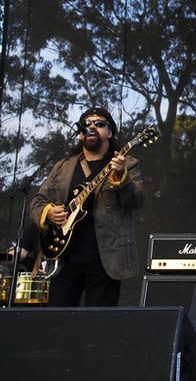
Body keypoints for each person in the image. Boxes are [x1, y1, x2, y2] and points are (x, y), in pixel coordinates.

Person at [30, 107, 144, 306]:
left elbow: (135, 200)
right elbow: (37, 202)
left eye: (99, 124)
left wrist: (120, 177)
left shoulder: (127, 164)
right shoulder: (63, 166)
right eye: (87, 124)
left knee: (98, 326)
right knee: (58, 324)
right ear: (80, 133)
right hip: (64, 259)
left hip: (105, 260)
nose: (92, 127)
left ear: (109, 132)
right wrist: (48, 213)